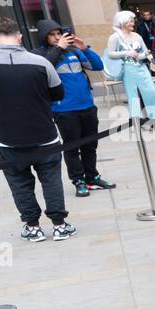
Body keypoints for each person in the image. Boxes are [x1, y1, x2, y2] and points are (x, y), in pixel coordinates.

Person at [0, 17, 75, 242]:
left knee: (19, 182)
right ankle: (59, 225)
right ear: (19, 36)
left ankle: (32, 226)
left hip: (7, 137)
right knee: (51, 180)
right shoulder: (41, 62)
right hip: (44, 134)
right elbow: (58, 93)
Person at [33, 20, 114, 198]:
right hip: (65, 110)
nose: (57, 37)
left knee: (90, 144)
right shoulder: (40, 54)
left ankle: (92, 177)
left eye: (59, 33)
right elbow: (42, 69)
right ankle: (78, 180)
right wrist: (58, 48)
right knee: (72, 147)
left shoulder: (74, 52)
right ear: (43, 36)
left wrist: (84, 48)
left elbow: (98, 66)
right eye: (52, 34)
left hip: (87, 106)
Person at [107, 9, 155, 122]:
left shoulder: (137, 36)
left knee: (151, 92)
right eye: (130, 21)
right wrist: (126, 53)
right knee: (133, 95)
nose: (133, 23)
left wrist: (146, 55)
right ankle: (138, 120)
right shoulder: (114, 37)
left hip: (142, 68)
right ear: (122, 22)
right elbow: (110, 54)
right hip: (128, 70)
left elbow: (143, 53)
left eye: (133, 21)